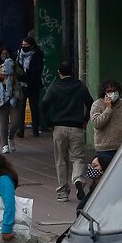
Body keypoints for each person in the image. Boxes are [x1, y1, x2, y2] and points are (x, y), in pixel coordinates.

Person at [42, 61, 94, 202]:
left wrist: (49, 123)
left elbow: (44, 104)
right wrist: (84, 120)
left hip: (59, 127)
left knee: (61, 159)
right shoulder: (80, 86)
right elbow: (91, 104)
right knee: (77, 158)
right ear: (73, 71)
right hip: (76, 127)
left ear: (59, 72)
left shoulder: (54, 87)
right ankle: (77, 179)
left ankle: (63, 192)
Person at [90, 79, 122, 160]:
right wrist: (108, 108)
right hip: (104, 148)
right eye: (109, 91)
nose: (113, 93)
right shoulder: (97, 105)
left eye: (115, 90)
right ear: (104, 92)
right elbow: (97, 124)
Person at [0, 46, 23, 154]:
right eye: (2, 54)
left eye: (6, 53)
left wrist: (16, 76)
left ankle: (11, 137)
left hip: (15, 96)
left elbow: (24, 75)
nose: (4, 56)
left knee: (16, 121)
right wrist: (0, 78)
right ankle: (4, 145)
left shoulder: (15, 65)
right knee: (3, 122)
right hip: (0, 97)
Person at [16, 37, 45, 138]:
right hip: (22, 84)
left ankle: (35, 130)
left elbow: (38, 68)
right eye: (22, 45)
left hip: (33, 84)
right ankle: (20, 130)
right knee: (21, 107)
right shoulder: (19, 54)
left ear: (31, 45)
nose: (23, 47)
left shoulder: (37, 55)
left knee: (34, 107)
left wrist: (27, 72)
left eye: (26, 45)